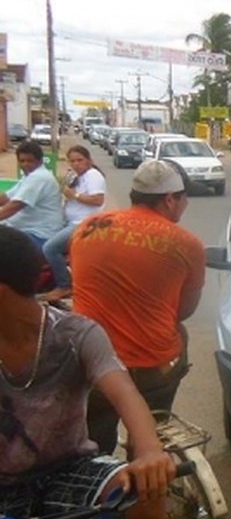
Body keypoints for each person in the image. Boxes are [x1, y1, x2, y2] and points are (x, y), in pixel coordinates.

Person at [0, 226, 176, 519]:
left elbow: (123, 390)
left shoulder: (76, 333)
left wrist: (148, 450)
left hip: (70, 465)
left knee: (149, 496)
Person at [70, 160, 205, 455]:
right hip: (153, 366)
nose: (184, 205)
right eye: (184, 198)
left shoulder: (87, 227)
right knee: (152, 430)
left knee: (96, 437)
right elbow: (184, 311)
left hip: (93, 364)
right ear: (170, 199)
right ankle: (146, 457)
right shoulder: (188, 244)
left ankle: (100, 476)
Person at [40, 146, 107, 302]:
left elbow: (98, 200)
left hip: (84, 223)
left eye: (80, 160)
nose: (76, 164)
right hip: (70, 221)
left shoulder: (93, 175)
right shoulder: (78, 176)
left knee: (49, 248)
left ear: (88, 160)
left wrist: (74, 195)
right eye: (72, 161)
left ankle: (64, 285)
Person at [0, 141, 65, 251]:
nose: (25, 164)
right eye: (22, 161)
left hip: (38, 235)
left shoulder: (39, 177)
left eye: (30, 161)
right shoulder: (28, 177)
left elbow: (15, 206)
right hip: (24, 230)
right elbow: (6, 199)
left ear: (39, 161)